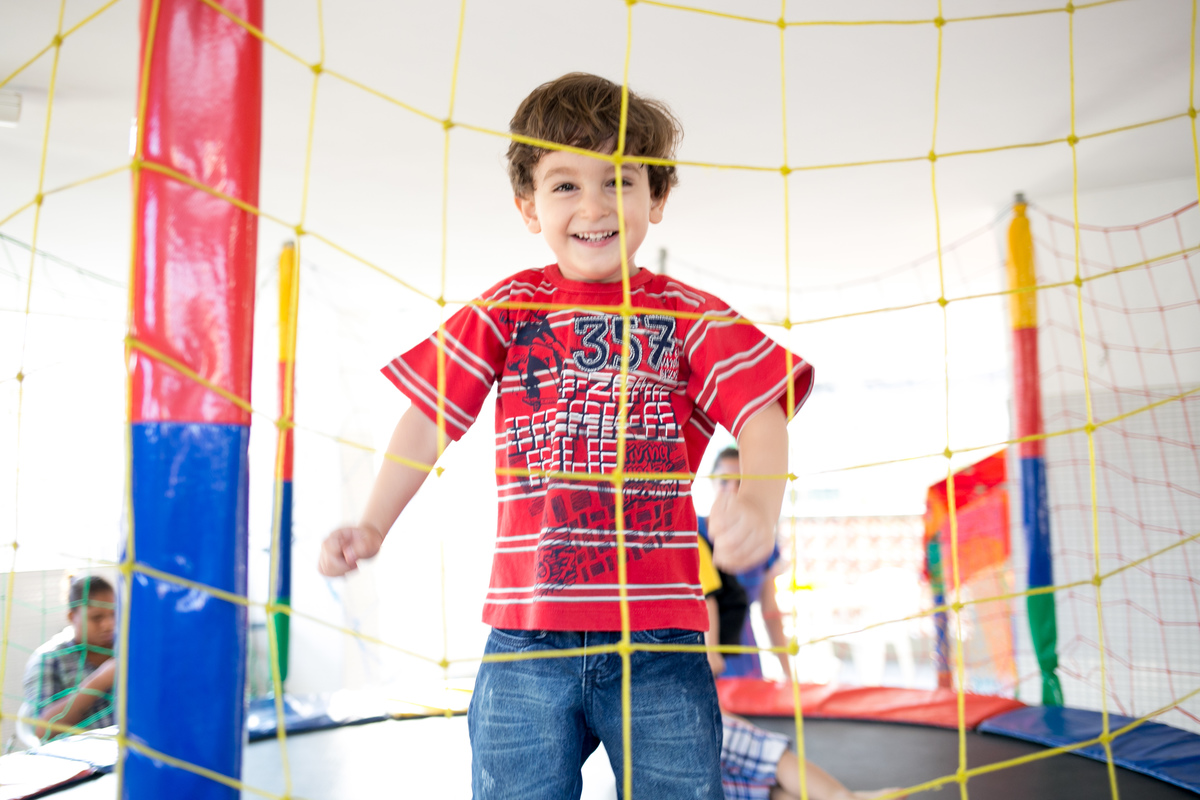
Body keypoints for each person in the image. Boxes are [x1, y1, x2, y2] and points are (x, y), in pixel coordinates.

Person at [319, 72, 814, 799]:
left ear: (657, 198)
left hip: (660, 639)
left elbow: (761, 413)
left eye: (619, 181)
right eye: (564, 186)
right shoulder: (510, 306)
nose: (594, 205)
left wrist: (760, 507)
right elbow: (429, 418)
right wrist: (372, 522)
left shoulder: (691, 316)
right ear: (528, 207)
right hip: (526, 635)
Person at [701, 446, 791, 678]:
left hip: (743, 657)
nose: (731, 489)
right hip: (700, 656)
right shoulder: (690, 534)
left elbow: (770, 610)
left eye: (740, 482)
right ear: (712, 482)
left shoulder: (764, 542)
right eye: (724, 481)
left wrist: (788, 673)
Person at [21, 575, 117, 743]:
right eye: (97, 617)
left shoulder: (126, 648)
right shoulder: (49, 659)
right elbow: (42, 730)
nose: (109, 625)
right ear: (72, 617)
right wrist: (100, 681)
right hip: (81, 761)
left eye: (114, 614)